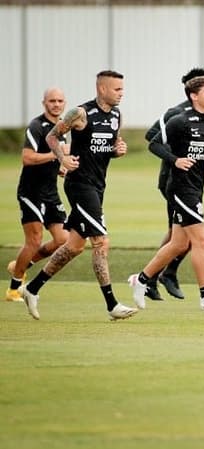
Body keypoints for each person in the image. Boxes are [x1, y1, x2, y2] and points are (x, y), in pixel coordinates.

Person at [19, 70, 138, 321]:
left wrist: (119, 149)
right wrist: (63, 158)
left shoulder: (116, 115)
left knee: (73, 246)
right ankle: (111, 304)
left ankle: (32, 288)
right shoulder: (80, 114)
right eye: (117, 89)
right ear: (102, 89)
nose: (121, 93)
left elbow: (110, 147)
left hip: (98, 186)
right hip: (79, 185)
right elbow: (52, 136)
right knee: (101, 242)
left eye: (122, 89)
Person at [128, 76, 204, 311]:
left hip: (197, 187)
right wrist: (175, 160)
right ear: (194, 96)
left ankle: (141, 280)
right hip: (180, 188)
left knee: (177, 243)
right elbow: (153, 143)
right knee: (201, 239)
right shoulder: (179, 121)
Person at [143, 67, 204, 301]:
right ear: (191, 91)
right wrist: (176, 159)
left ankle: (155, 276)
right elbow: (151, 136)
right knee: (189, 233)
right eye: (203, 87)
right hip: (173, 179)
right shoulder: (177, 113)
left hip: (192, 181)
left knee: (180, 233)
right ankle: (158, 275)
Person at [5, 88, 70, 303]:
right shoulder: (36, 126)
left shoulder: (62, 128)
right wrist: (57, 154)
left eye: (60, 101)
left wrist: (61, 168)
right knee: (34, 241)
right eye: (52, 101)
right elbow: (27, 158)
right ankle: (14, 288)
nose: (56, 104)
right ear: (44, 103)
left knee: (63, 239)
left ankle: (20, 266)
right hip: (31, 192)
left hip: (50, 192)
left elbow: (55, 161)